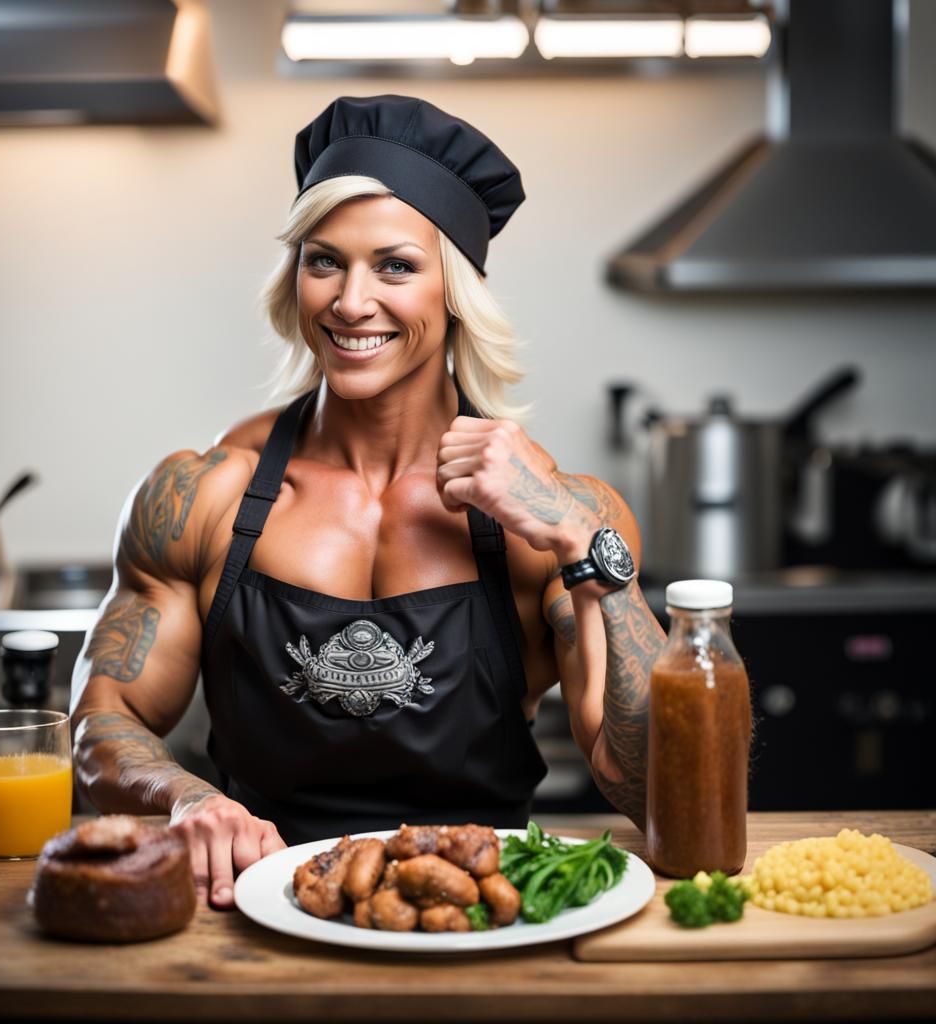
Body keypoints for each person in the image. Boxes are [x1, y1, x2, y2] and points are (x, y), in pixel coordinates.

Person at [70, 95, 666, 910]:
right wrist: (189, 799)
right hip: (255, 923)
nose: (351, 302)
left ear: (454, 289)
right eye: (324, 261)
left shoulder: (560, 518)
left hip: (483, 927)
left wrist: (581, 538)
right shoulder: (204, 494)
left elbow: (661, 791)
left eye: (395, 265)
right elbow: (105, 715)